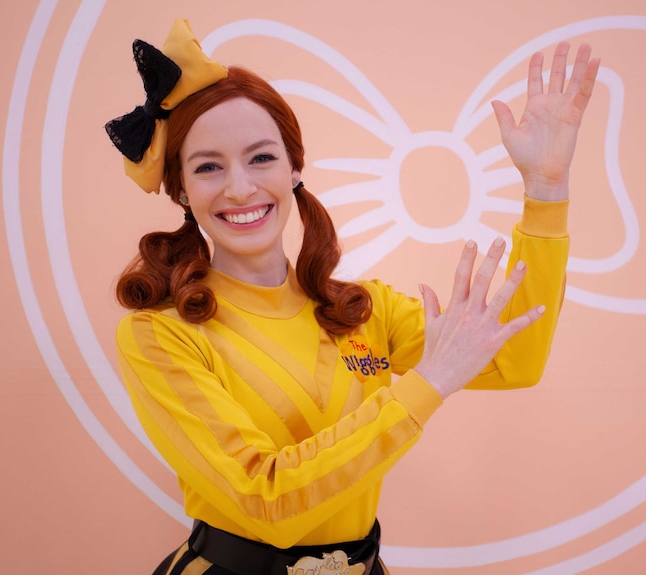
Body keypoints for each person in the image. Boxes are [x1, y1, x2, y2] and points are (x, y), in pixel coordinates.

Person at [107, 19, 599, 575]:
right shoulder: (160, 334)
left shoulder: (364, 311)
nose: (240, 187)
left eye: (262, 158)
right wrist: (425, 386)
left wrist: (547, 191)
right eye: (208, 167)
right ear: (182, 190)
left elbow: (515, 359)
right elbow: (266, 501)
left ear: (295, 168)